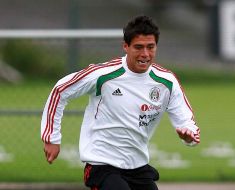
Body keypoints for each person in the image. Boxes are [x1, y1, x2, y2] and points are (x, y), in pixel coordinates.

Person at [41, 15, 200, 190]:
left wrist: (188, 136)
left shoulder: (167, 81)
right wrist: (51, 138)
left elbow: (187, 122)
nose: (145, 54)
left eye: (150, 47)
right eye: (138, 47)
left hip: (137, 166)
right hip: (102, 164)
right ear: (126, 46)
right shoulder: (103, 74)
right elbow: (60, 91)